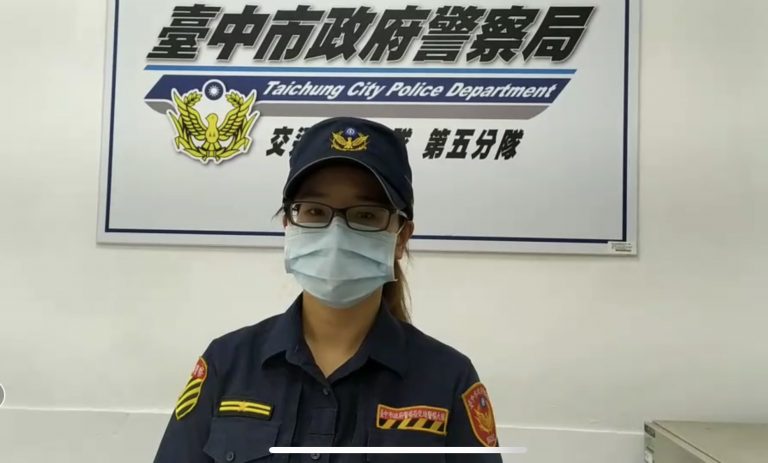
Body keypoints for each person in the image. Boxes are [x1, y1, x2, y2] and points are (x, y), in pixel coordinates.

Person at [153, 117, 501, 463]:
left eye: (366, 215)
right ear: (288, 224)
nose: (336, 234)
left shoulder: (448, 380)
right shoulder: (228, 364)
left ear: (401, 237)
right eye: (315, 211)